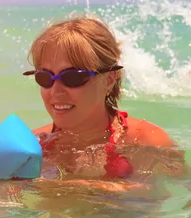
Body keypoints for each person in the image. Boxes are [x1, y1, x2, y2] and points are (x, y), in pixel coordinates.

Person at [22, 16, 181, 181]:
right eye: (44, 78)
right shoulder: (31, 146)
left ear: (110, 79)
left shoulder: (147, 141)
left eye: (72, 77)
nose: (55, 91)